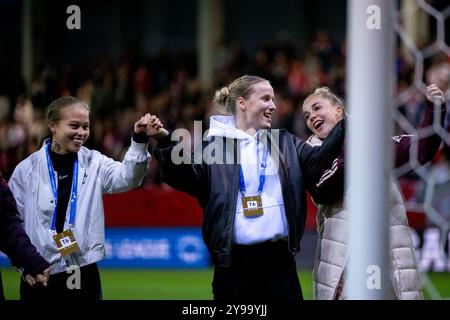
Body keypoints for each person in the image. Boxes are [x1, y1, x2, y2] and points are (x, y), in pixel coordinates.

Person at [153, 75, 345, 300]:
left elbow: (318, 159)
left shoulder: (284, 142)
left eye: (273, 99)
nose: (273, 106)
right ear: (242, 103)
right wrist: (166, 143)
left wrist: (347, 123)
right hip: (234, 269)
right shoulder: (214, 147)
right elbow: (185, 178)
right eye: (265, 98)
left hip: (281, 267)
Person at [8, 96, 162, 300]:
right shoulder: (26, 171)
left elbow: (129, 178)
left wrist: (139, 140)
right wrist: (24, 266)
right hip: (39, 272)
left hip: (81, 270)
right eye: (74, 126)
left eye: (86, 126)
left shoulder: (95, 163)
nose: (81, 133)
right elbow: (10, 225)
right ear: (52, 125)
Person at [301, 84, 447, 300]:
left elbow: (422, 150)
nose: (311, 116)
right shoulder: (311, 155)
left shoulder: (376, 145)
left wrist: (434, 109)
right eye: (306, 115)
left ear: (338, 111)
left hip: (386, 253)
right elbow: (323, 190)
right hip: (343, 261)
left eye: (316, 108)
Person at [0, 171, 50, 300]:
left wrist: (29, 263)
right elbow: (9, 226)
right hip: (38, 264)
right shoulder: (24, 170)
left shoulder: (88, 165)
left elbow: (8, 227)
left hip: (66, 265)